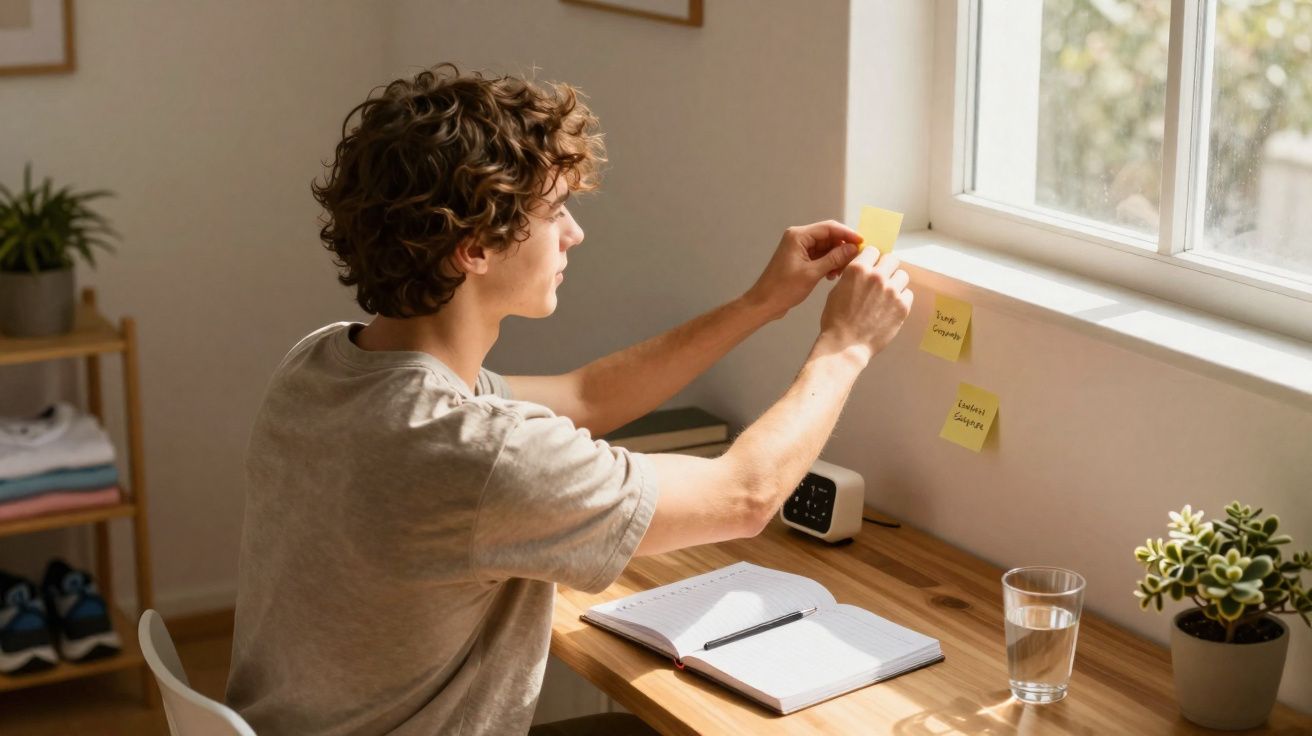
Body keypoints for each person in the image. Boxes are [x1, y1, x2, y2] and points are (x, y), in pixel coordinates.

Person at [225, 64, 913, 736]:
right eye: (554, 211)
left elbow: (585, 397)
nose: (574, 233)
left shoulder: (322, 366)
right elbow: (746, 497)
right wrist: (847, 344)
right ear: (474, 250)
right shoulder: (477, 456)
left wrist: (760, 303)